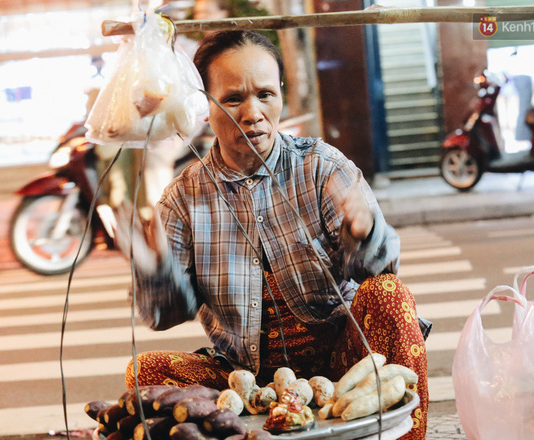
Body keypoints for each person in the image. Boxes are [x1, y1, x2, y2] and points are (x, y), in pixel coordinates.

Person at [119, 31, 428, 439]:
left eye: (265, 94)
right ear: (205, 104)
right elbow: (163, 315)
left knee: (389, 294)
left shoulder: (321, 166)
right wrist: (154, 269)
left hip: (342, 363)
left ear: (280, 94)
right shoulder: (182, 198)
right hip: (245, 380)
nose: (253, 113)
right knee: (145, 372)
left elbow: (381, 269)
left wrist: (365, 232)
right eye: (233, 99)